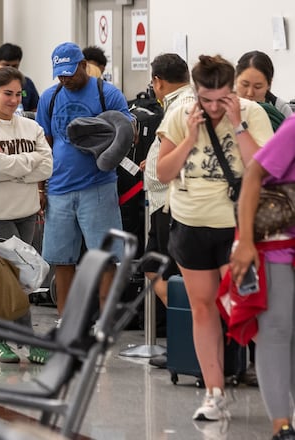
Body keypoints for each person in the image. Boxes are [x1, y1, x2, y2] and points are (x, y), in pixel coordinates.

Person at [156, 54, 273, 421]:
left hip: (235, 226)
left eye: (220, 99)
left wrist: (238, 125)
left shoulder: (251, 113)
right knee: (203, 309)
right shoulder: (182, 114)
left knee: (246, 308)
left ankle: (280, 396)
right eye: (205, 100)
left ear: (232, 91)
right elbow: (162, 172)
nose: (212, 107)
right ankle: (214, 392)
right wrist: (190, 136)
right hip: (190, 223)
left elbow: (264, 169)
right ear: (195, 92)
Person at [35, 42, 131, 317]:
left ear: (83, 65)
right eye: (60, 74)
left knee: (105, 257)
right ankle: (67, 320)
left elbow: (128, 133)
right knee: (62, 260)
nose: (66, 79)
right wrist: (41, 187)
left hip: (98, 187)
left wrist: (106, 150)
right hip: (59, 190)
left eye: (70, 72)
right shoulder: (49, 98)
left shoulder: (107, 94)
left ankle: (106, 320)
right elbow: (45, 144)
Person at [0, 66, 53, 363]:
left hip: (27, 211)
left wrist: (13, 167)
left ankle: (12, 339)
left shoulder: (31, 127)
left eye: (19, 94)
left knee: (24, 279)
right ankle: (11, 340)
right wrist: (26, 166)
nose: (14, 100)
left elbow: (47, 166)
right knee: (5, 280)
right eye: (8, 94)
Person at [231, 114, 295, 440]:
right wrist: (244, 241)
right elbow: (254, 172)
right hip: (275, 243)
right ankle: (280, 426)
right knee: (277, 330)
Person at [142, 53, 194, 369]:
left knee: (170, 274)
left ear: (157, 81)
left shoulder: (178, 107)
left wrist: (160, 166)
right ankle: (182, 335)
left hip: (170, 204)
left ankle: (184, 337)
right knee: (153, 266)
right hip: (170, 202)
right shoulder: (187, 101)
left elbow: (172, 167)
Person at [235, 50, 292, 131]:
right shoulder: (222, 106)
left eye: (257, 87)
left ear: (268, 85)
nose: (250, 93)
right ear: (235, 79)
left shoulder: (281, 109)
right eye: (245, 85)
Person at [0, 43, 40, 114]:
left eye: (14, 66)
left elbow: (35, 109)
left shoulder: (27, 83)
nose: (10, 69)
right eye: (6, 65)